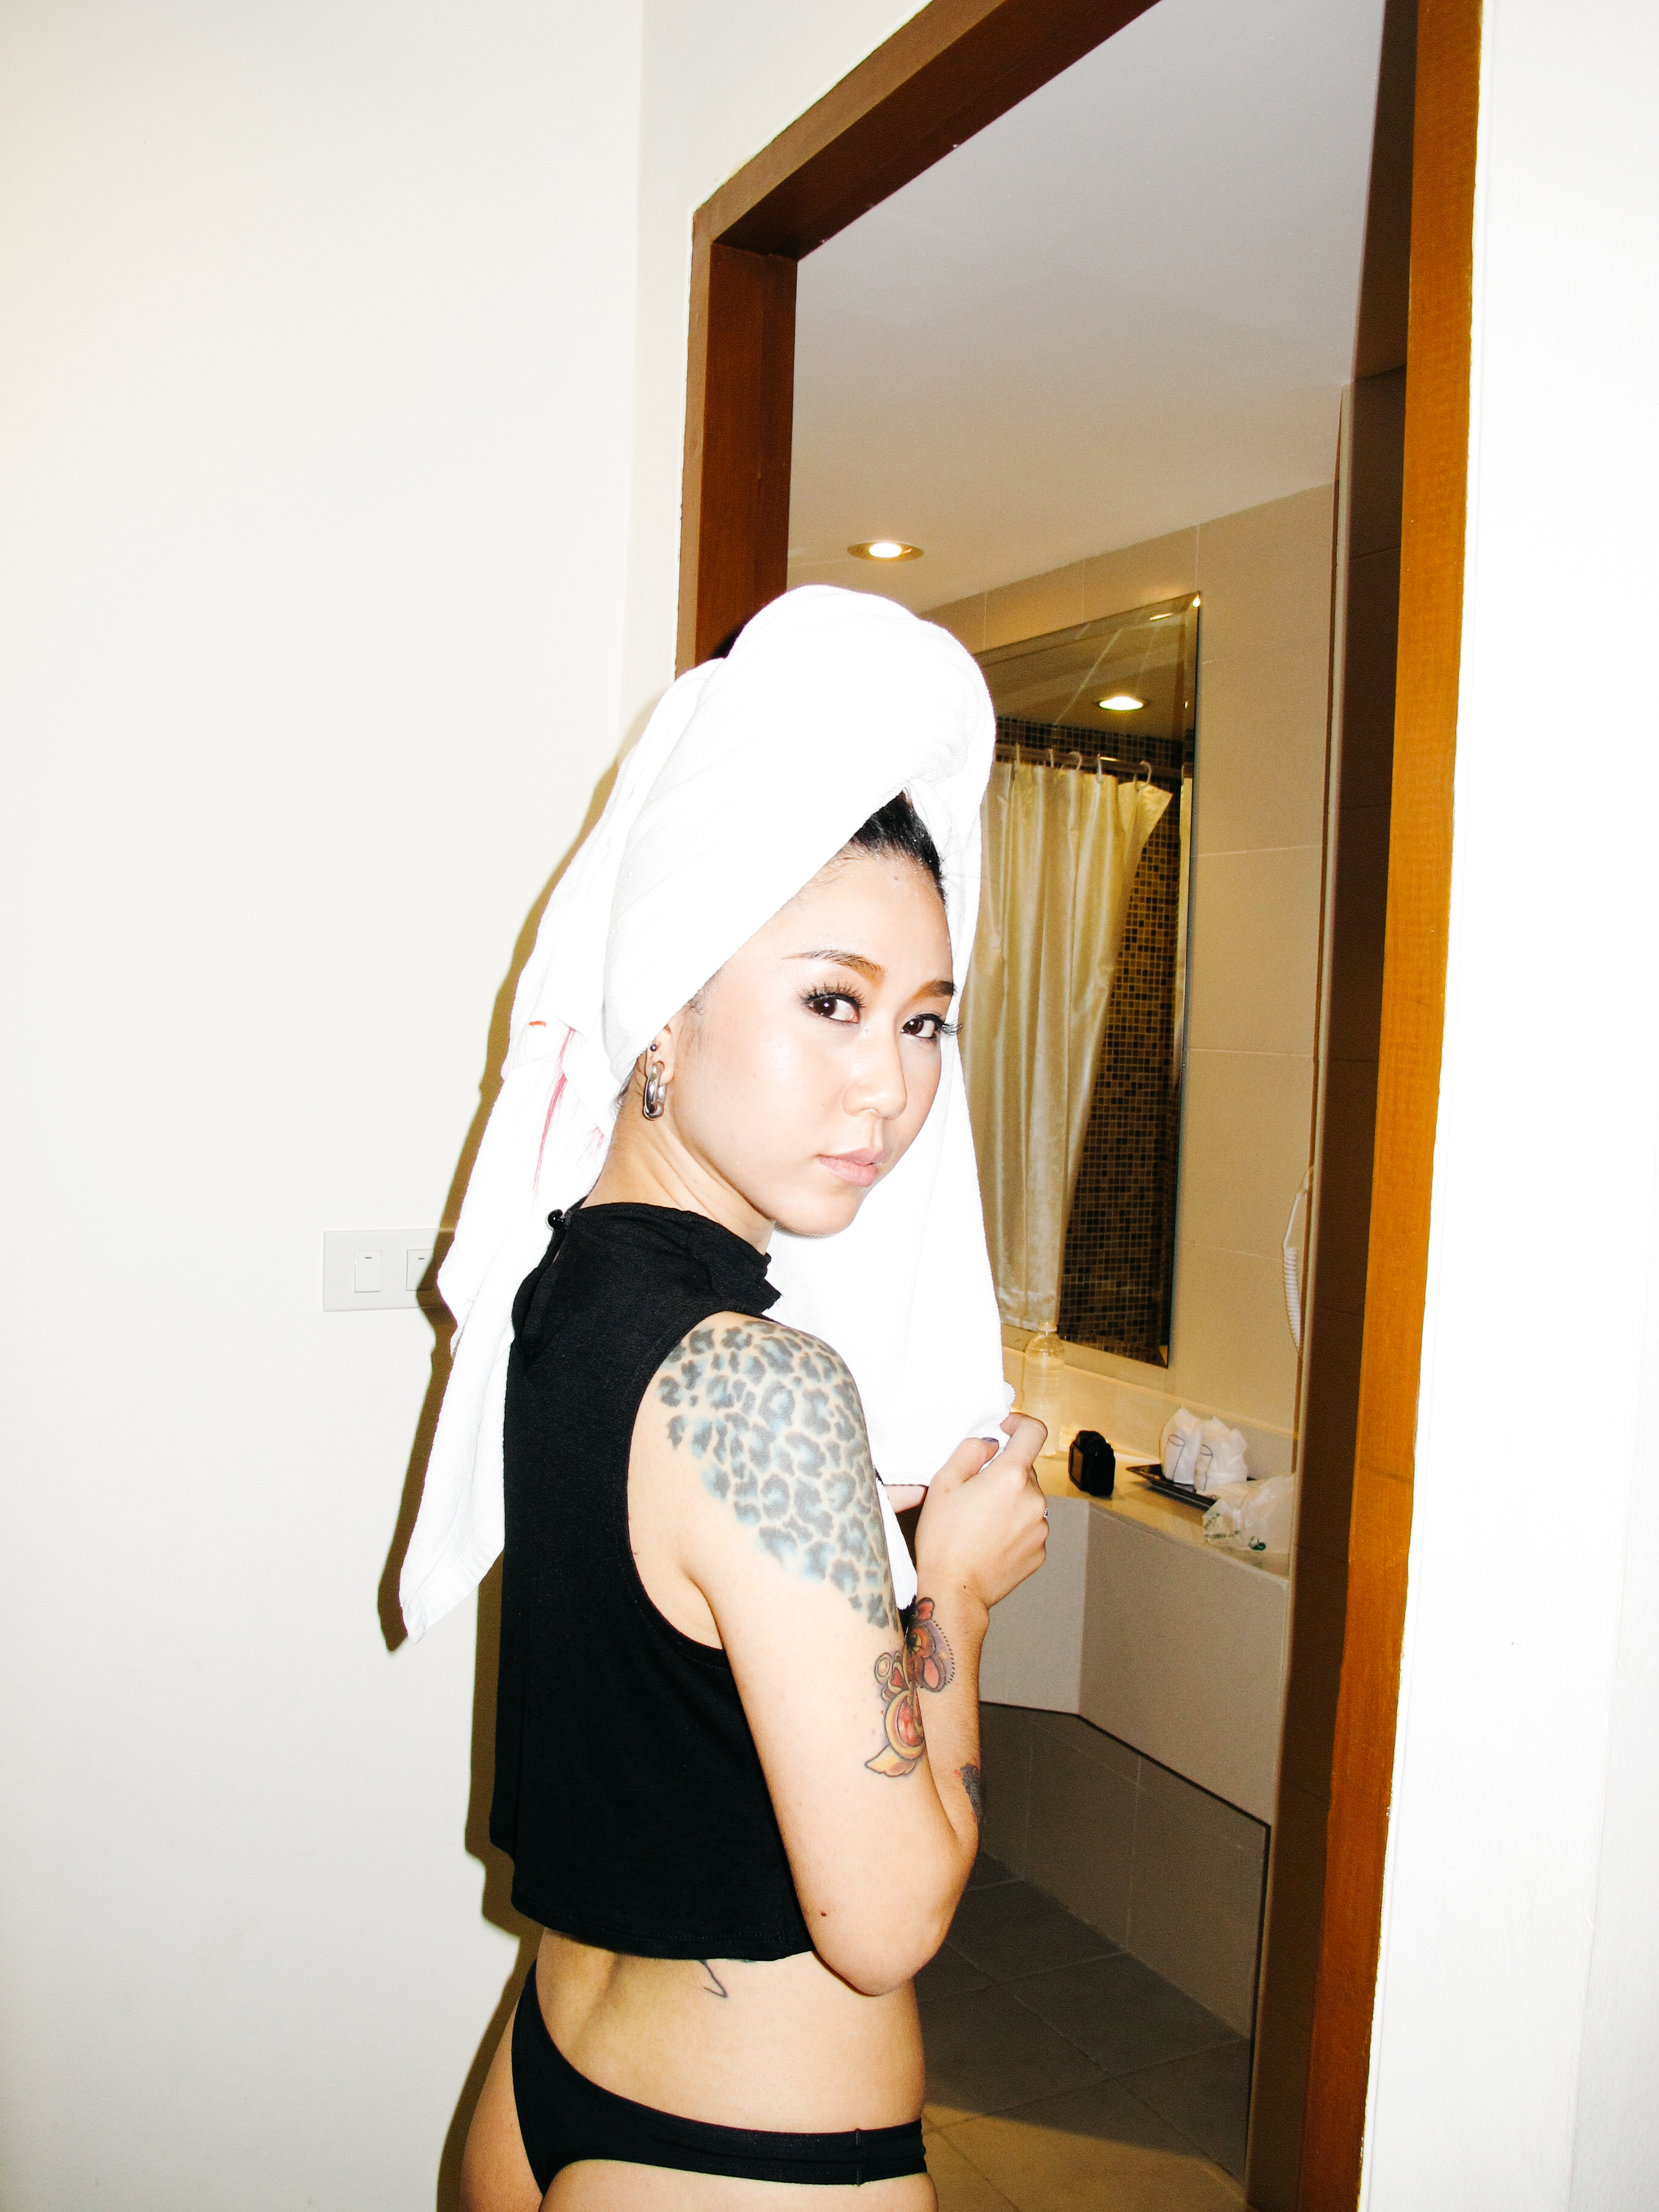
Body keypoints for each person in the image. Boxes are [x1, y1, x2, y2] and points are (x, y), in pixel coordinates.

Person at [404, 589, 1049, 2207]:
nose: (891, 1083)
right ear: (667, 1008)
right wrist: (957, 1595)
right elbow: (886, 1921)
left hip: (542, 2078)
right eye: (832, 1001)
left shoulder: (561, 1290)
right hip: (745, 2146)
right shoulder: (759, 1386)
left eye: (924, 1022)